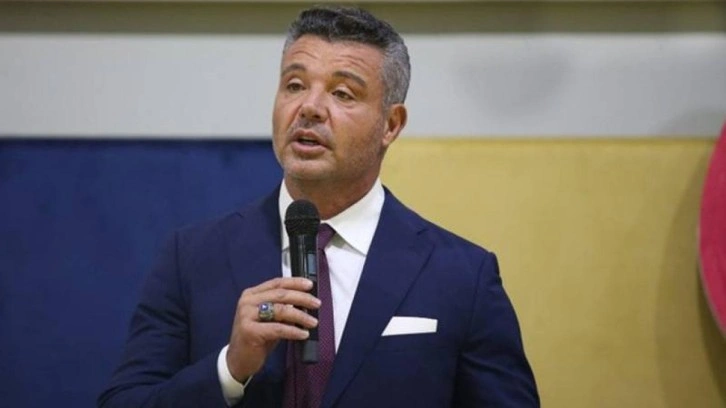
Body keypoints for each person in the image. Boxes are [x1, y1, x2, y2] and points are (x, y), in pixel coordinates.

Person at [98, 5, 538, 408]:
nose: (309, 107)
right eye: (294, 85)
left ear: (390, 124)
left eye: (342, 93)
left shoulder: (462, 276)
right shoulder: (192, 258)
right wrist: (229, 370)